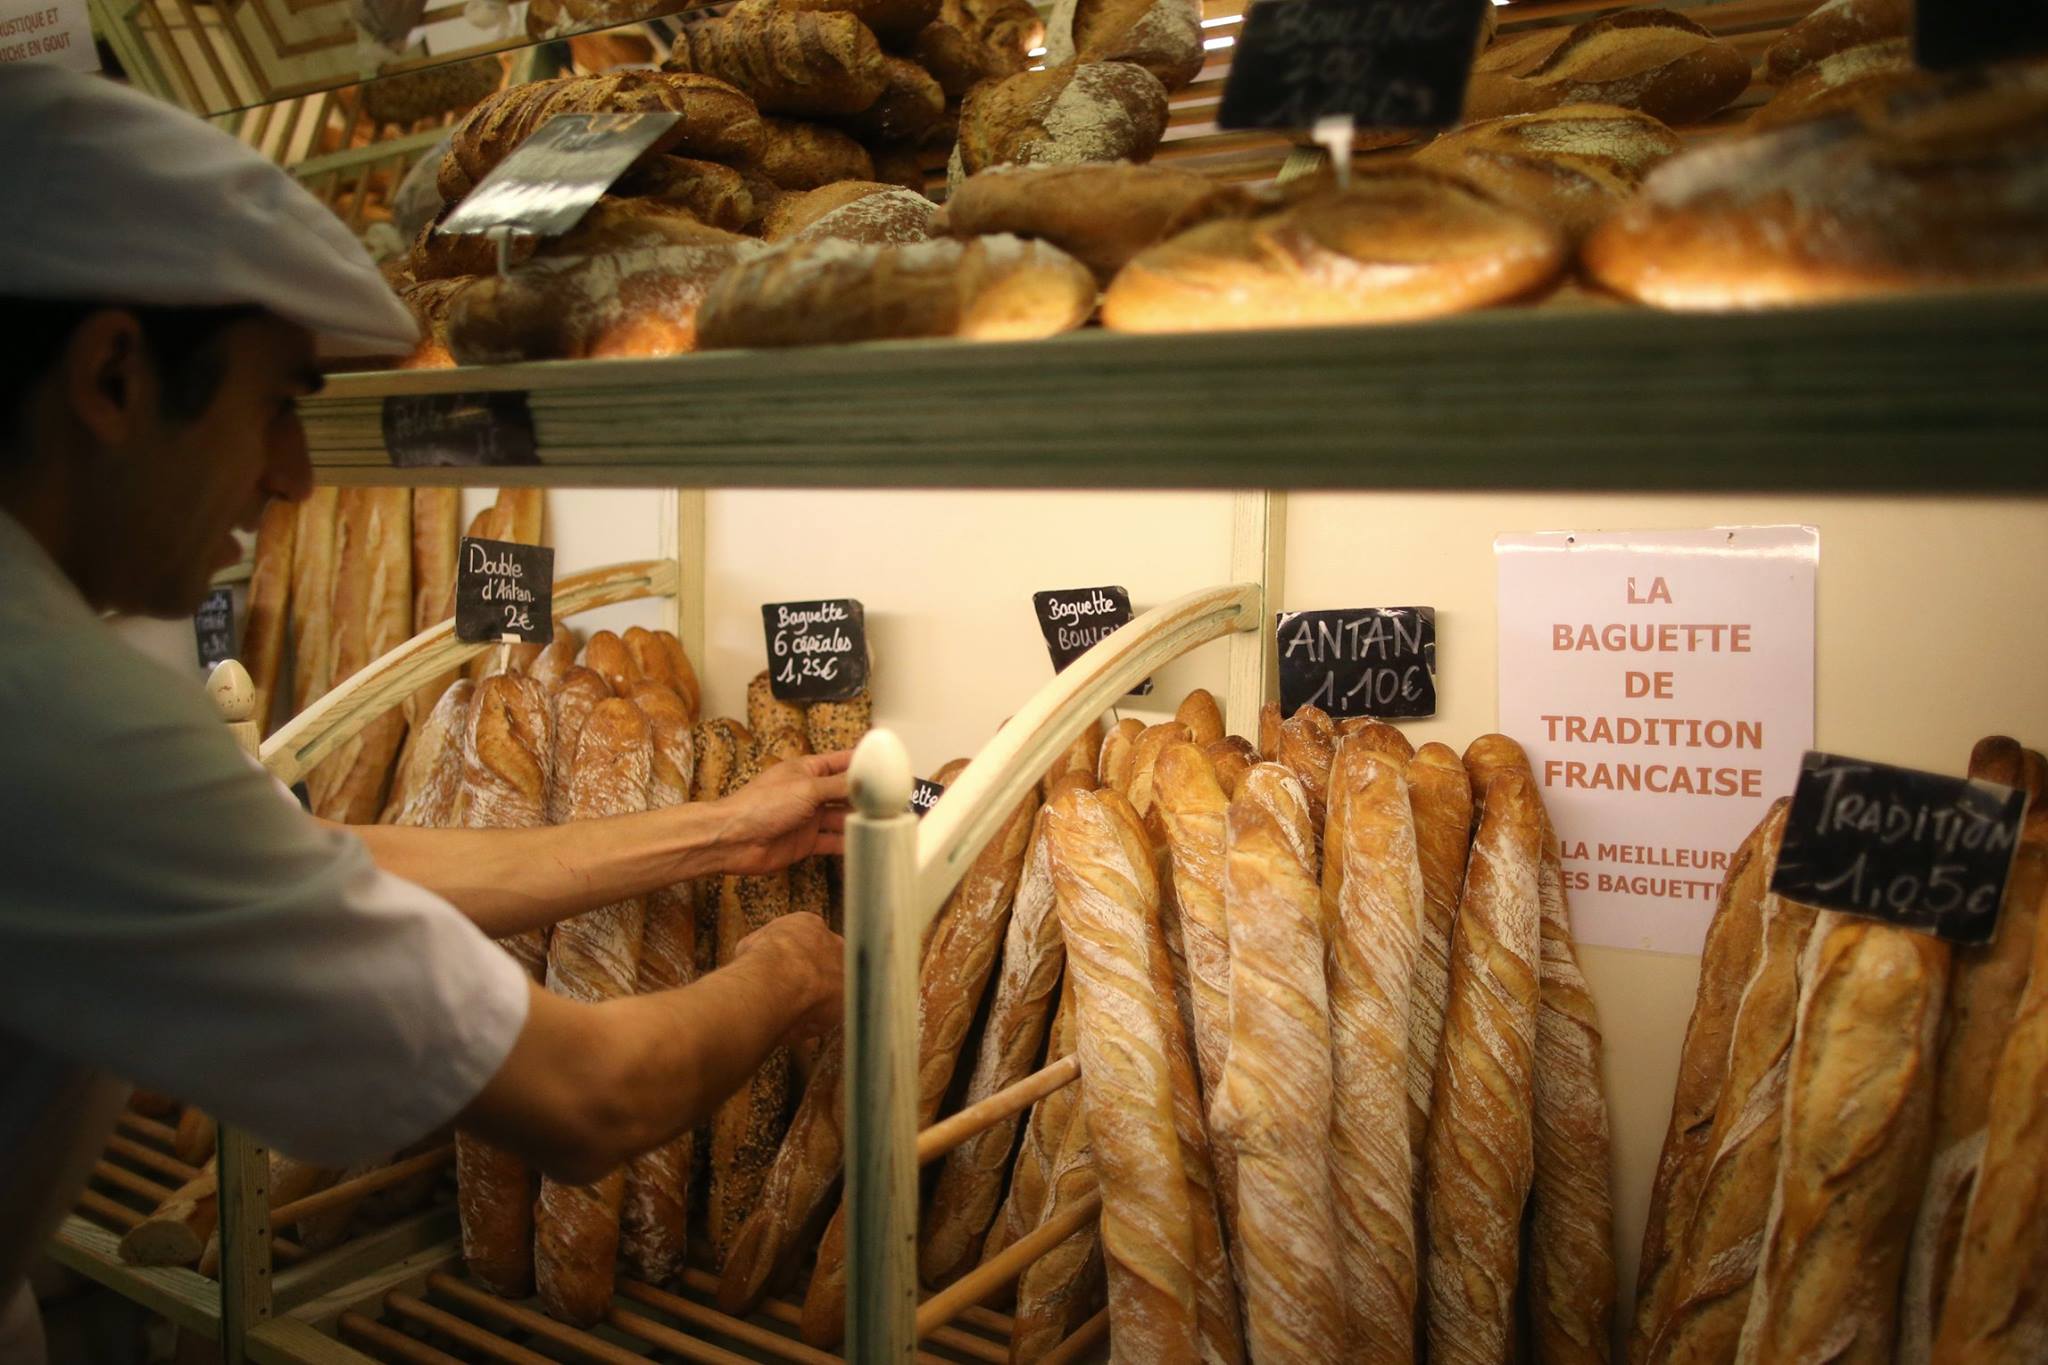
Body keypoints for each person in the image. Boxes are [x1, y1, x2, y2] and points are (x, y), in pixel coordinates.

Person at [0, 67, 847, 1362]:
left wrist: (720, 832)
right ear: (113, 375)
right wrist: (790, 969)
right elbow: (587, 1095)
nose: (295, 477)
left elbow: (329, 863)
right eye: (276, 407)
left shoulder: (51, 680)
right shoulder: (63, 721)